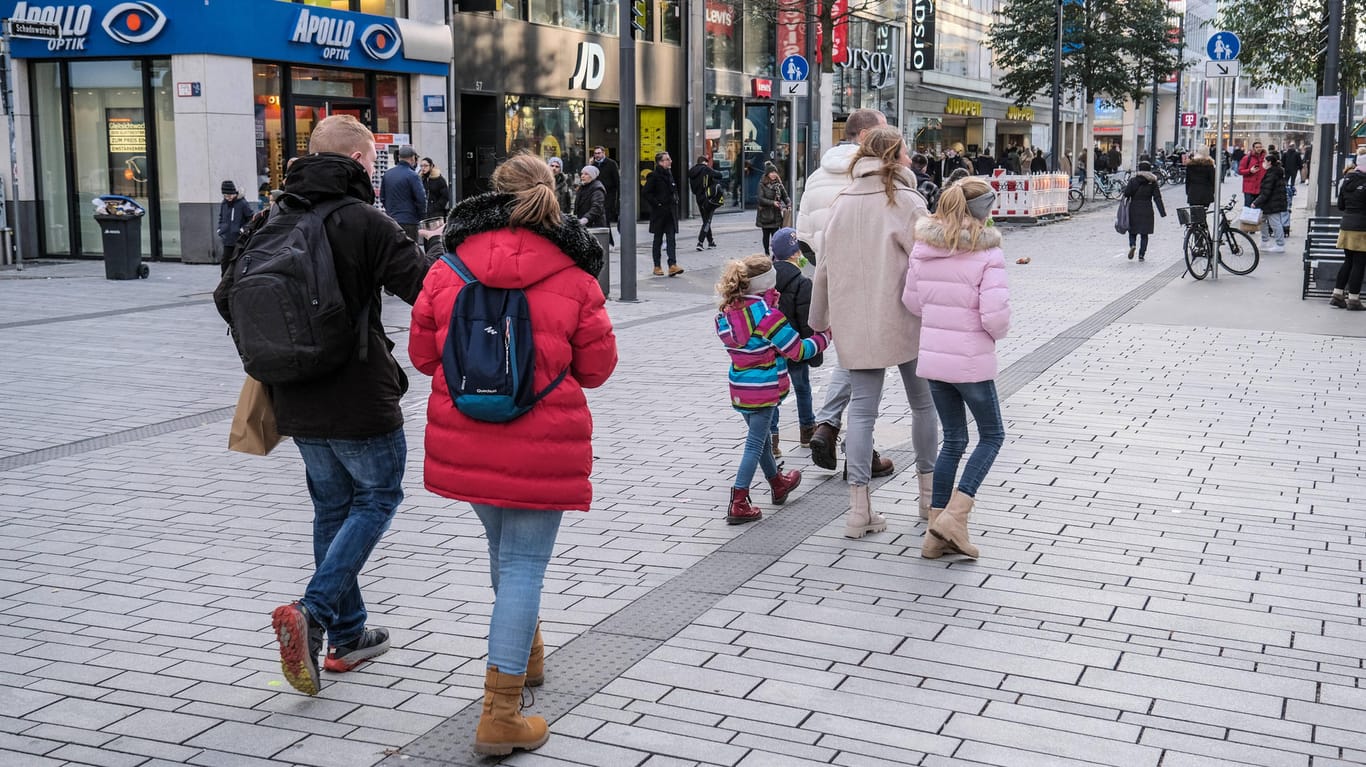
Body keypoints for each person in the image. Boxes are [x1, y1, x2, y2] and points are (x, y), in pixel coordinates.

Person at [214, 114, 436, 697]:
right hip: (359, 394)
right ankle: (313, 610)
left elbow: (225, 297)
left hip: (293, 394)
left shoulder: (270, 217)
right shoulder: (365, 221)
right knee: (378, 496)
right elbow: (426, 290)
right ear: (364, 162)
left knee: (332, 507)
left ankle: (350, 634)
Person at [408, 153, 618, 755]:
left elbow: (425, 357)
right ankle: (501, 714)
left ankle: (526, 655)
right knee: (524, 563)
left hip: (465, 436)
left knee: (505, 552)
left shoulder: (446, 269)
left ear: (490, 195)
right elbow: (597, 368)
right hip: (542, 438)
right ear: (552, 195)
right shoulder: (575, 276)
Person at [809, 126, 939, 538]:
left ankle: (858, 510)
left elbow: (824, 266)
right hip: (904, 316)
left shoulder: (842, 202)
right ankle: (927, 498)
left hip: (854, 319)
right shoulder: (905, 200)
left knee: (862, 412)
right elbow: (929, 257)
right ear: (896, 155)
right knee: (923, 406)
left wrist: (818, 319)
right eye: (905, 151)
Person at [902, 178, 1009, 560]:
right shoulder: (988, 253)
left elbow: (912, 302)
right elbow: (995, 317)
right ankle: (955, 517)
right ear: (983, 211)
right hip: (971, 361)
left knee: (954, 440)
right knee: (992, 436)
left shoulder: (924, 246)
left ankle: (935, 534)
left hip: (934, 359)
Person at [793, 108, 897, 478]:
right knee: (865, 365)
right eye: (885, 131)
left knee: (852, 357)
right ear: (867, 134)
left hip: (831, 279)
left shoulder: (818, 174)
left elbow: (802, 235)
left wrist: (823, 269)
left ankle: (828, 425)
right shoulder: (873, 173)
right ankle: (855, 449)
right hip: (873, 280)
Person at [715, 254, 829, 525]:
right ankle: (739, 500)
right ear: (768, 283)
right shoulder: (769, 317)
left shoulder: (728, 313)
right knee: (755, 444)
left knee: (763, 439)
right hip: (764, 389)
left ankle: (778, 483)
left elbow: (749, 335)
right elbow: (798, 350)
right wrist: (825, 337)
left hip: (740, 388)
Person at [769, 227, 821, 455]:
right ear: (794, 254)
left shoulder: (766, 280)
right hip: (797, 347)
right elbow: (807, 321)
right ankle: (807, 429)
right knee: (802, 387)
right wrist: (814, 353)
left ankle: (773, 439)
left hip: (772, 348)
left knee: (773, 393)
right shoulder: (802, 282)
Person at [1331, 153, 1366, 310]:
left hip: (1347, 225)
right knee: (1359, 263)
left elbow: (1341, 206)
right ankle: (1354, 299)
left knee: (1348, 261)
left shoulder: (1346, 180)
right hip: (1362, 227)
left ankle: (1337, 295)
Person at [643, 151, 681, 276]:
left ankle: (672, 265)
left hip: (670, 212)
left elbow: (673, 190)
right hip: (659, 213)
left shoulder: (669, 174)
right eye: (667, 159)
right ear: (660, 162)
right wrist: (657, 203)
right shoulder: (653, 176)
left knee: (671, 239)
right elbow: (646, 193)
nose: (670, 161)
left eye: (669, 159)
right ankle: (657, 266)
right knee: (657, 240)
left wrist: (676, 199)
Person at [1121, 161, 1166, 261]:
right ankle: (1141, 255)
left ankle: (1132, 245)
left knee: (1132, 231)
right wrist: (1162, 212)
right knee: (1144, 234)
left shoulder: (1133, 180)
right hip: (1147, 208)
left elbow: (1127, 193)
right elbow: (1157, 197)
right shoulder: (1152, 182)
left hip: (1134, 208)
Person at [380, 144, 426, 241]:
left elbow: (382, 197)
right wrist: (420, 216)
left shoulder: (388, 174)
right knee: (410, 252)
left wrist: (390, 211)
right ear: (413, 158)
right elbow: (421, 199)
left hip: (391, 220)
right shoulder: (413, 175)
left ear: (399, 157)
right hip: (409, 221)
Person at [1252, 151, 1289, 252]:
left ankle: (1280, 244)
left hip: (1273, 203)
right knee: (1263, 220)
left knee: (1275, 223)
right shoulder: (1274, 172)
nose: (1263, 163)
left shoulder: (1272, 174)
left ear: (1269, 162)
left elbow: (1266, 192)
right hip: (1272, 202)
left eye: (1264, 161)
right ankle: (1265, 241)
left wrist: (1255, 202)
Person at [688, 155, 723, 250]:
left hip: (698, 198)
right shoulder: (706, 169)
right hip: (708, 198)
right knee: (707, 221)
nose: (707, 164)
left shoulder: (692, 171)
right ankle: (700, 242)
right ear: (704, 162)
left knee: (705, 219)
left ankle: (711, 242)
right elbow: (719, 175)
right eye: (706, 162)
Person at [756, 166, 790, 256]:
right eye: (772, 172)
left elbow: (785, 196)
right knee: (766, 236)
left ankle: (775, 254)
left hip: (776, 215)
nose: (774, 174)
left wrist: (788, 204)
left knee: (776, 237)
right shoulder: (762, 184)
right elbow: (760, 199)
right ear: (767, 174)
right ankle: (766, 253)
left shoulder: (779, 184)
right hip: (765, 215)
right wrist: (772, 202)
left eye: (775, 172)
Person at [216, 180, 253, 261]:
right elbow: (221, 217)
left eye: (230, 195)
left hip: (239, 238)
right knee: (225, 260)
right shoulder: (224, 203)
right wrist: (220, 229)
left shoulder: (242, 203)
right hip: (227, 237)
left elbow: (251, 218)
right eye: (225, 196)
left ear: (234, 193)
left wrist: (243, 229)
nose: (228, 198)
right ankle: (224, 274)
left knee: (237, 259)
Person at [591, 146, 621, 224]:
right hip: (598, 193)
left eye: (599, 153)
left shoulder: (611, 164)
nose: (597, 155)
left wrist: (618, 195)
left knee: (607, 216)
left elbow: (617, 180)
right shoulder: (593, 164)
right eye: (595, 153)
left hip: (609, 194)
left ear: (603, 153)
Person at [1238, 141, 1266, 206]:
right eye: (1257, 147)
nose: (1259, 149)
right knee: (1248, 208)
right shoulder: (1247, 158)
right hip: (1249, 188)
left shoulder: (1265, 159)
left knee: (1258, 209)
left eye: (1260, 147)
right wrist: (1249, 171)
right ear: (1253, 148)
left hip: (1260, 188)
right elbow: (1240, 171)